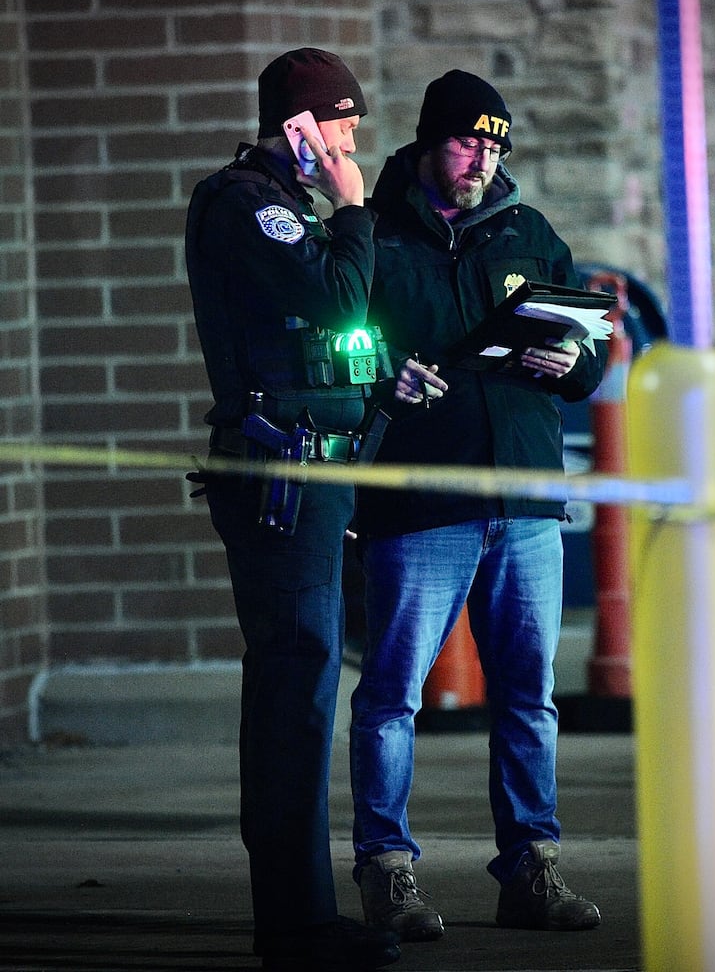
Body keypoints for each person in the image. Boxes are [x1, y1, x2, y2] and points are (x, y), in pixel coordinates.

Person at [349, 69, 604, 942]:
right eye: (466, 142)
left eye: (495, 146)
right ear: (427, 141)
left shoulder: (527, 231)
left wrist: (575, 364)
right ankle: (388, 872)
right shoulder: (374, 235)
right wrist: (383, 375)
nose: (481, 160)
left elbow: (591, 351)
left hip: (525, 499)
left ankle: (532, 868)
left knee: (530, 697)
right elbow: (340, 351)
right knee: (392, 696)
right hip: (421, 502)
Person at [184, 48, 399, 971]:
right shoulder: (249, 204)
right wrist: (353, 207)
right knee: (296, 690)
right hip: (284, 482)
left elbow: (347, 323)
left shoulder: (290, 211)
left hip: (321, 478)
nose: (353, 142)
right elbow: (335, 292)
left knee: (307, 684)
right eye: (341, 125)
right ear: (302, 127)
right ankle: (297, 924)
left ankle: (299, 912)